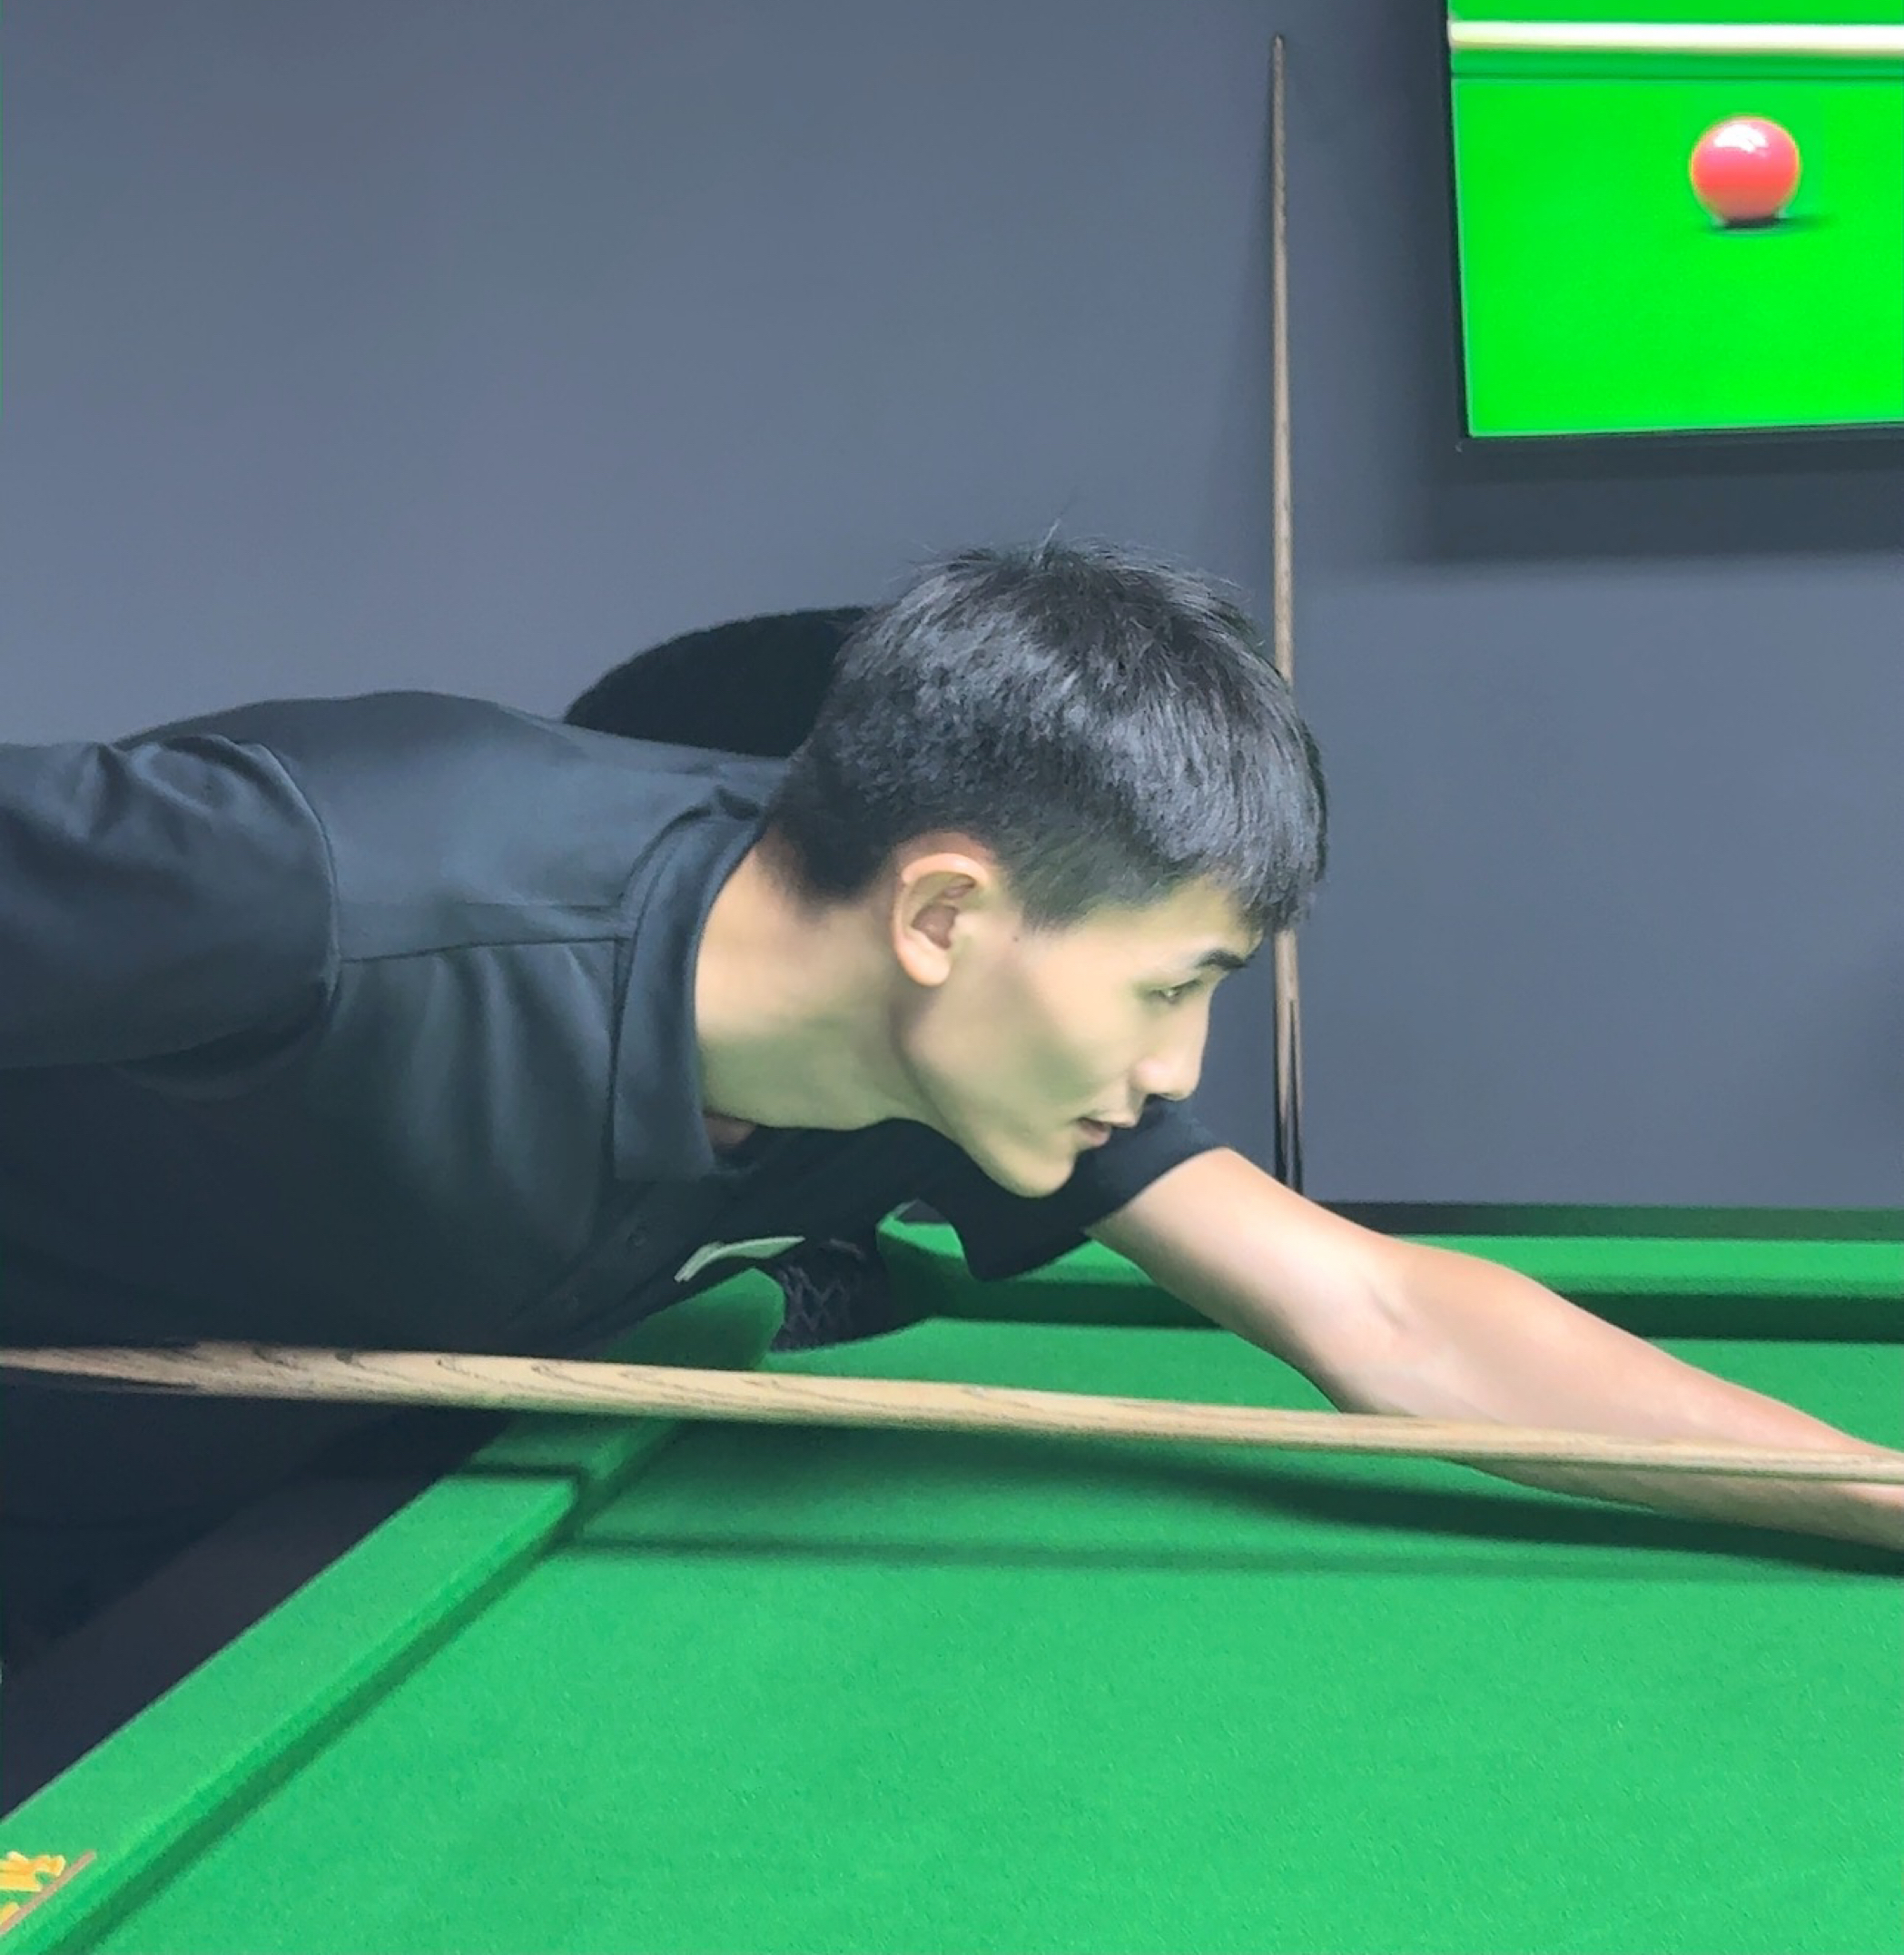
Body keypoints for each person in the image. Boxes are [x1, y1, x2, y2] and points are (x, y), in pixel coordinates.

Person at [2, 542, 1896, 1665]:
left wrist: (1878, 1499)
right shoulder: (324, 887)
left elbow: (1383, 1313)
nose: (1175, 1071)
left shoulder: (967, 1062)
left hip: (249, 1508)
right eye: (1168, 988)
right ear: (940, 917)